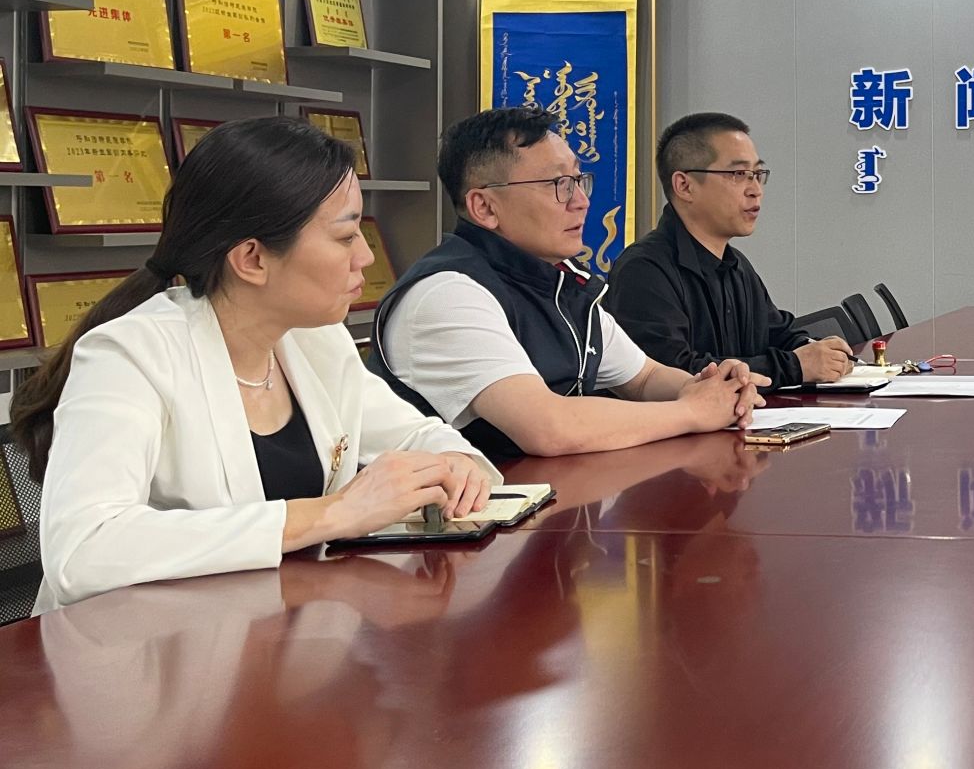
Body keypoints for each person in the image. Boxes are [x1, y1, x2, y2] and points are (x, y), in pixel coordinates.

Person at [14, 116, 498, 612]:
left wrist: (455, 465)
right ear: (251, 259)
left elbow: (416, 436)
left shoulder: (314, 341)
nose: (366, 257)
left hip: (281, 630)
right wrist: (333, 513)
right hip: (143, 646)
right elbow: (83, 551)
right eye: (345, 236)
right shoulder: (130, 355)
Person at [367, 107, 762, 464]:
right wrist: (691, 411)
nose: (581, 201)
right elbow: (549, 428)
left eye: (577, 180)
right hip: (468, 517)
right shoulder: (447, 293)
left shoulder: (561, 279)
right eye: (557, 184)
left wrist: (716, 388)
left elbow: (643, 378)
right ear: (484, 207)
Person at [609, 111, 855, 388]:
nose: (755, 190)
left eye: (757, 174)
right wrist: (794, 366)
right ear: (684, 186)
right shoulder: (643, 271)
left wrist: (814, 349)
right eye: (739, 174)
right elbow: (671, 374)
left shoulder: (736, 265)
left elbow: (778, 333)